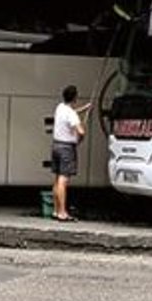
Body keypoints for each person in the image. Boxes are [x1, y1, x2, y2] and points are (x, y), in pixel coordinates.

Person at [51, 84, 91, 223]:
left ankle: (56, 210)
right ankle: (63, 213)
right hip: (66, 148)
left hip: (56, 145)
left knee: (57, 178)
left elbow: (71, 114)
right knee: (63, 179)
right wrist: (80, 139)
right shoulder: (71, 114)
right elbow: (81, 131)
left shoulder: (60, 107)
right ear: (75, 98)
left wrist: (84, 109)